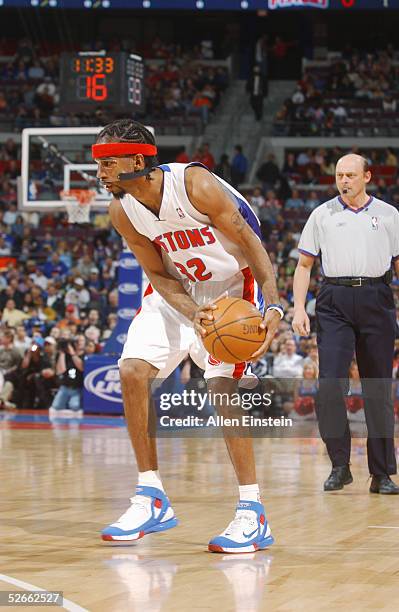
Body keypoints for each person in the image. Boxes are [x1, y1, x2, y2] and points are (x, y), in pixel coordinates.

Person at [93, 119, 283, 552]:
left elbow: (251, 242)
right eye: (97, 162)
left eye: (107, 162)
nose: (99, 172)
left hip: (233, 287)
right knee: (132, 372)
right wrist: (193, 312)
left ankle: (253, 511)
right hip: (177, 292)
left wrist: (273, 303)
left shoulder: (195, 184)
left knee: (221, 386)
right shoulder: (122, 210)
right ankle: (150, 495)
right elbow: (158, 274)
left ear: (137, 160)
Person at [292, 153, 399, 494]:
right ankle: (340, 466)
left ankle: (381, 473)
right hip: (334, 299)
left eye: (351, 175)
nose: (344, 181)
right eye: (339, 175)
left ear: (368, 176)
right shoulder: (321, 214)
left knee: (378, 389)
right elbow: (304, 265)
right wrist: (297, 309)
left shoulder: (389, 215)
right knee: (329, 386)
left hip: (377, 297)